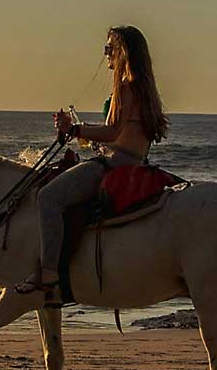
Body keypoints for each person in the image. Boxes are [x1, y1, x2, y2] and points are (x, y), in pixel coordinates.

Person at [29, 26, 170, 293]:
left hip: (114, 164)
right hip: (135, 163)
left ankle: (48, 274)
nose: (105, 54)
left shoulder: (126, 88)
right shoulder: (147, 89)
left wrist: (73, 129)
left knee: (47, 197)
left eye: (109, 48)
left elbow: (113, 131)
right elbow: (123, 133)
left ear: (122, 52)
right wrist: (89, 135)